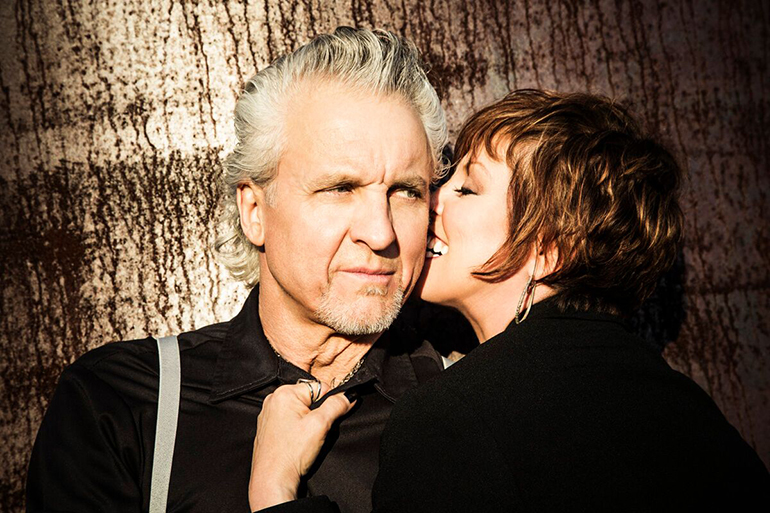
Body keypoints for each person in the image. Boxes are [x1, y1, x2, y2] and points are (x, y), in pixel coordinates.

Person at [249, 90, 770, 512]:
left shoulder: (452, 419)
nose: (433, 198)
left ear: (549, 250)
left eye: (468, 189)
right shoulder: (694, 414)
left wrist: (274, 493)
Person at [26, 27, 450, 513]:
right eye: (339, 188)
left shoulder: (471, 403)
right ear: (254, 211)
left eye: (406, 192)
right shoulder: (122, 404)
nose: (380, 233)